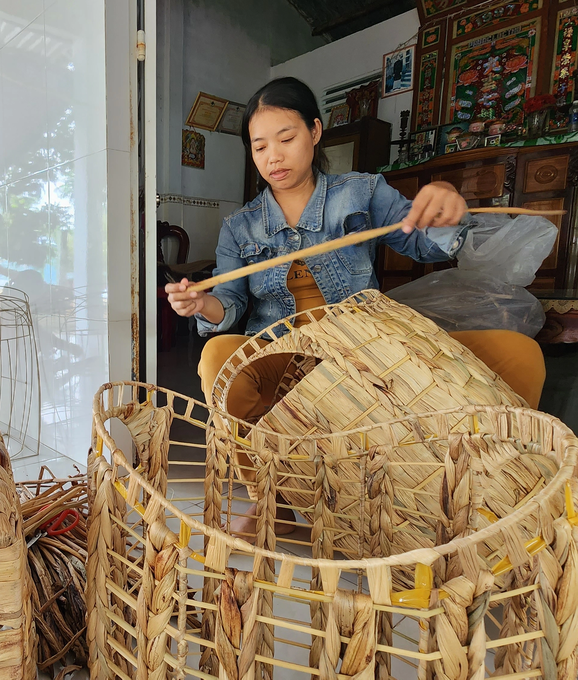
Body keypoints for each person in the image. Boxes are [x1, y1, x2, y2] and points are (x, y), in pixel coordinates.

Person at [165, 77, 545, 537]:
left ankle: (489, 487)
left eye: (286, 138)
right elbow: (231, 303)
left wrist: (445, 210)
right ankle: (273, 500)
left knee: (518, 354)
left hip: (371, 348)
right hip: (287, 356)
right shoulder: (240, 227)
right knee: (218, 360)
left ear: (316, 132)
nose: (273, 156)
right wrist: (203, 304)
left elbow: (425, 244)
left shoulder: (362, 193)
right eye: (259, 146)